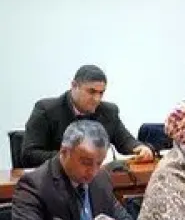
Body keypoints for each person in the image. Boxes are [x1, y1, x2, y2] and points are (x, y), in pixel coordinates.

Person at [11, 120, 137, 220]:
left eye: (99, 163)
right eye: (86, 163)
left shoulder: (101, 178)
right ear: (64, 152)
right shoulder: (34, 183)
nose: (93, 171)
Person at [20, 64, 154, 168]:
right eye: (91, 92)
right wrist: (73, 157)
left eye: (101, 93)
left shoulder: (108, 111)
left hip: (98, 182)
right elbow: (29, 155)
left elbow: (126, 141)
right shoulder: (46, 111)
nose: (97, 99)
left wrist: (141, 149)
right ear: (74, 86)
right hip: (55, 182)